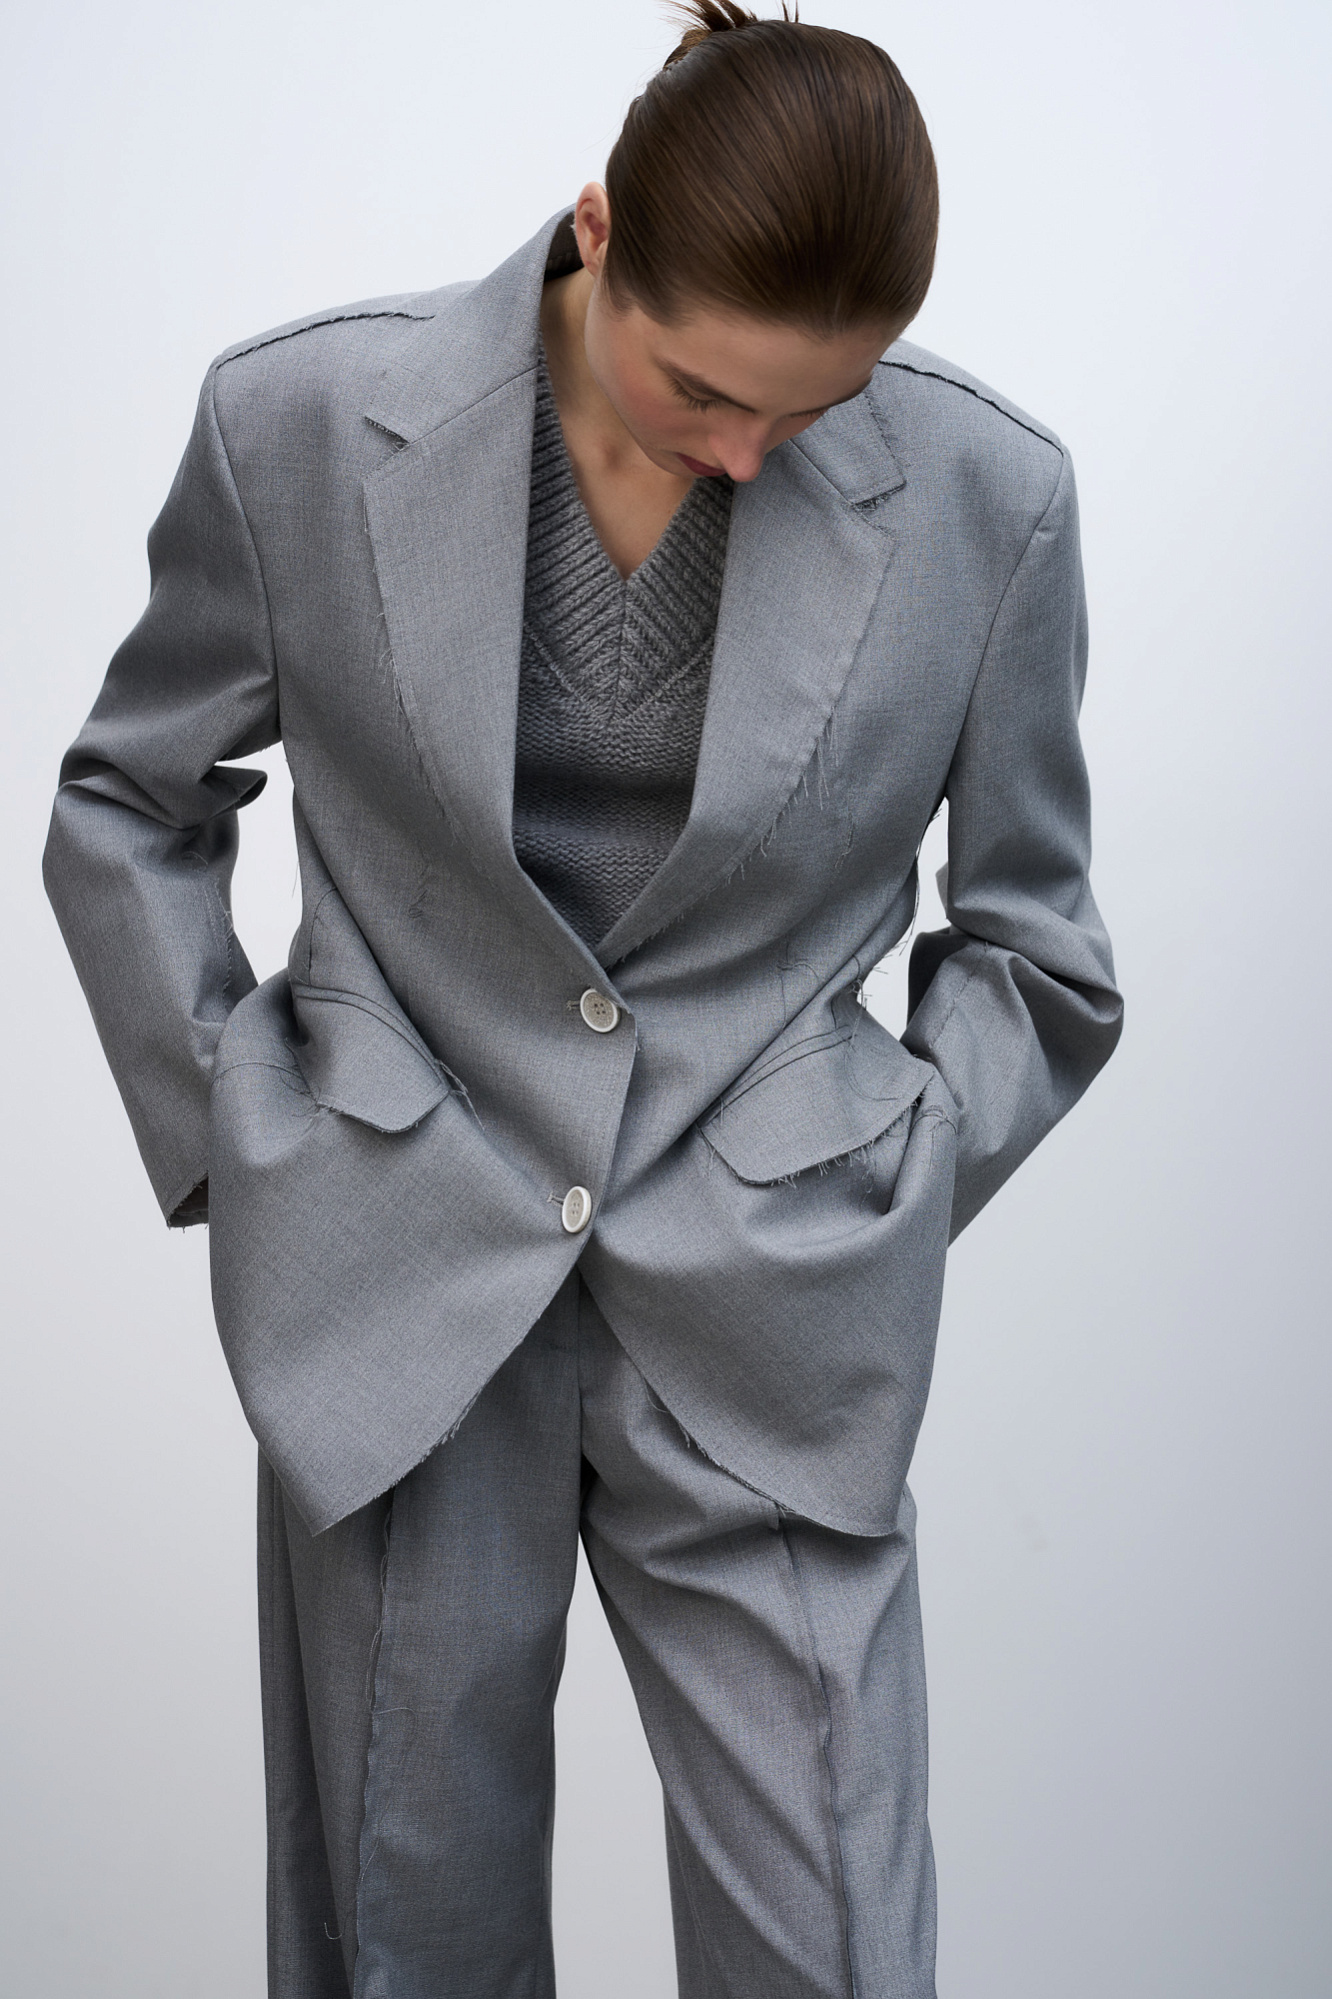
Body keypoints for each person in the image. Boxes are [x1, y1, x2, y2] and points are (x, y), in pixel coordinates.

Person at [43, 4, 1122, 1994]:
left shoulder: (994, 501)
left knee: (831, 1944)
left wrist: (882, 1175)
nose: (747, 455)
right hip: (397, 1283)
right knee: (409, 1942)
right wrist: (244, 1144)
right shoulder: (299, 425)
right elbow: (129, 800)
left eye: (811, 412)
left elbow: (1039, 945)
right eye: (704, 389)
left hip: (773, 1314)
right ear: (600, 228)